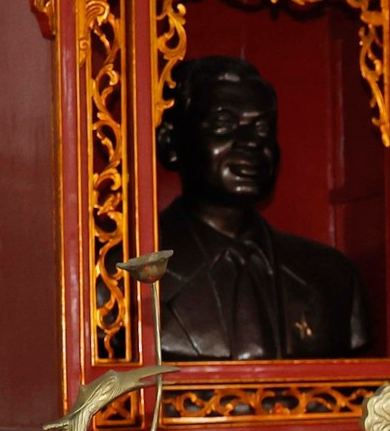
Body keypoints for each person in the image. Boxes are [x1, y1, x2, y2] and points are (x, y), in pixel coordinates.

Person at [156, 55, 373, 360]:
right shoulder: (122, 283)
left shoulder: (334, 279)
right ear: (170, 142)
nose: (251, 144)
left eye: (262, 128)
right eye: (224, 124)